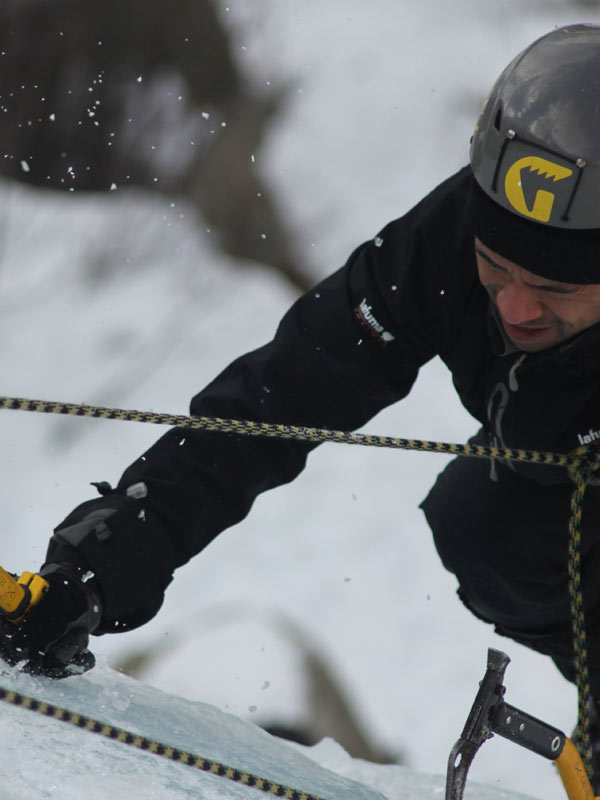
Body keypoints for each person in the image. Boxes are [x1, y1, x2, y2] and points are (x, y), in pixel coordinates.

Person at [3, 18, 600, 773]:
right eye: (495, 267)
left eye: (555, 287)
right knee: (484, 525)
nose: (514, 307)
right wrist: (106, 556)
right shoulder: (447, 242)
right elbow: (284, 392)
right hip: (558, 490)